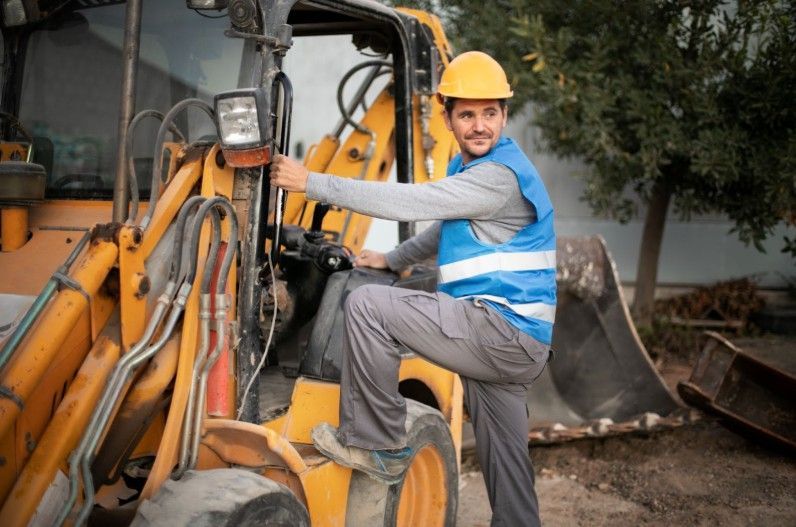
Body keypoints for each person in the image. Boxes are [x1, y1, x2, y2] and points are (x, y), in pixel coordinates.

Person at [270, 50, 555, 527]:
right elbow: (445, 229)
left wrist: (311, 182)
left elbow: (411, 200)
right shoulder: (481, 174)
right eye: (467, 114)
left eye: (489, 113)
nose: (479, 125)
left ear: (505, 115)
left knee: (367, 306)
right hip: (521, 344)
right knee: (509, 476)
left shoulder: (498, 178)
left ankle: (378, 444)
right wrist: (391, 258)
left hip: (499, 330)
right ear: (447, 118)